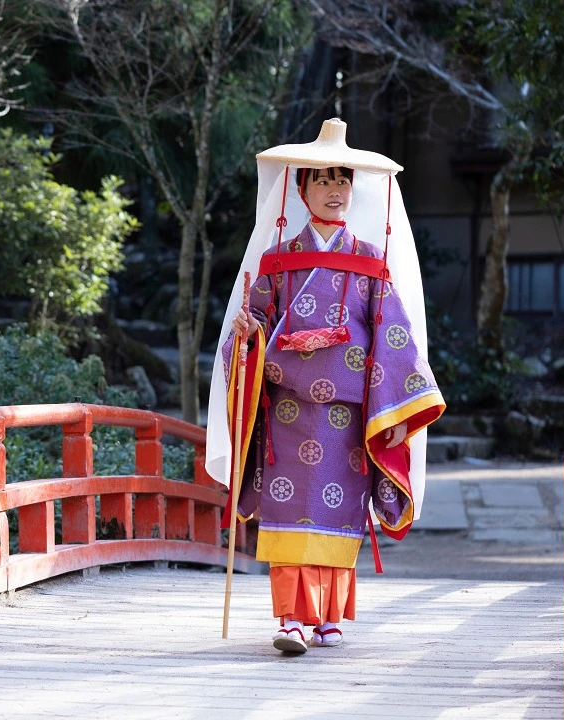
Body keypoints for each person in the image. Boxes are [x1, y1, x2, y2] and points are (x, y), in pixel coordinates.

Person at [205, 118, 445, 654]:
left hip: (346, 416)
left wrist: (395, 398)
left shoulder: (369, 264)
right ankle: (291, 618)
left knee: (338, 510)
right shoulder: (277, 263)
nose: (336, 190)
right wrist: (246, 337)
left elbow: (393, 337)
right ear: (302, 189)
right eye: (324, 180)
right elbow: (249, 334)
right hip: (289, 415)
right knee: (291, 510)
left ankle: (329, 617)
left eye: (343, 180)